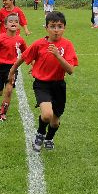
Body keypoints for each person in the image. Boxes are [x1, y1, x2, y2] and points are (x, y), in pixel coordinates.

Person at [8, 11, 78, 152]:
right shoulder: (39, 44)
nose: (56, 30)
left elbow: (70, 70)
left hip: (59, 85)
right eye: (52, 26)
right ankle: (40, 133)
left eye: (59, 26)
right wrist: (12, 70)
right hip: (42, 84)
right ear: (46, 28)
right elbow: (23, 57)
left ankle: (49, 138)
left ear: (64, 28)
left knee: (55, 122)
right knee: (47, 115)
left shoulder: (67, 45)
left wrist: (58, 55)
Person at [0, 13, 27, 121]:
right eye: (11, 21)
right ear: (5, 25)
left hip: (12, 68)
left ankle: (2, 113)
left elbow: (27, 54)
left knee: (9, 90)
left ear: (18, 26)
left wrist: (33, 65)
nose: (14, 23)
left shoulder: (20, 40)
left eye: (16, 22)